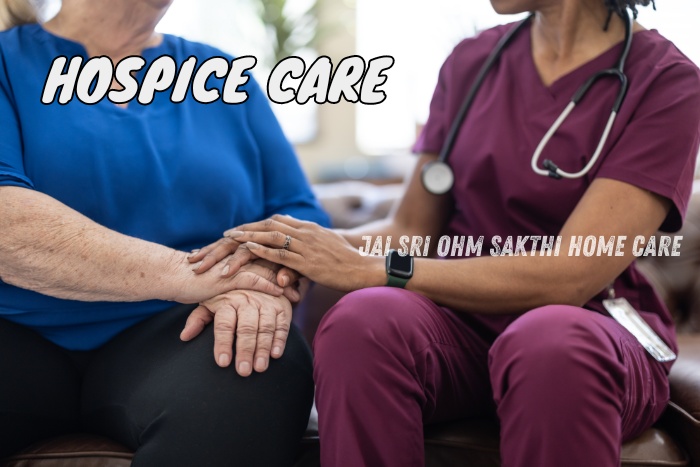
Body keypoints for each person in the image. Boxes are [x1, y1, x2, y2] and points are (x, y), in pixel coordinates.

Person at [194, 0, 700, 465]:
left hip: (586, 328)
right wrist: (293, 245)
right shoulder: (473, 61)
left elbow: (572, 274)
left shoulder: (667, 82)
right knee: (362, 321)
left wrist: (375, 269)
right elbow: (412, 228)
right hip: (462, 328)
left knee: (549, 342)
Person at [0, 0, 329, 465]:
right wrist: (196, 274)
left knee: (258, 361)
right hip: (17, 331)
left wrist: (259, 277)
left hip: (180, 330)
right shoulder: (6, 63)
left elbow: (298, 214)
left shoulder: (223, 75)